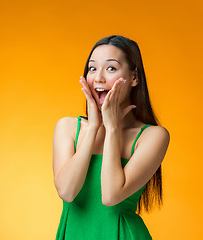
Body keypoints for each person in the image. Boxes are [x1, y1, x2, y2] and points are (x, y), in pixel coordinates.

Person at [53, 35, 170, 239]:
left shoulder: (152, 136)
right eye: (92, 68)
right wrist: (94, 128)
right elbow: (67, 192)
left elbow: (111, 196)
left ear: (134, 78)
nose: (98, 78)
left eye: (111, 68)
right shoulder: (68, 127)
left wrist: (113, 129)